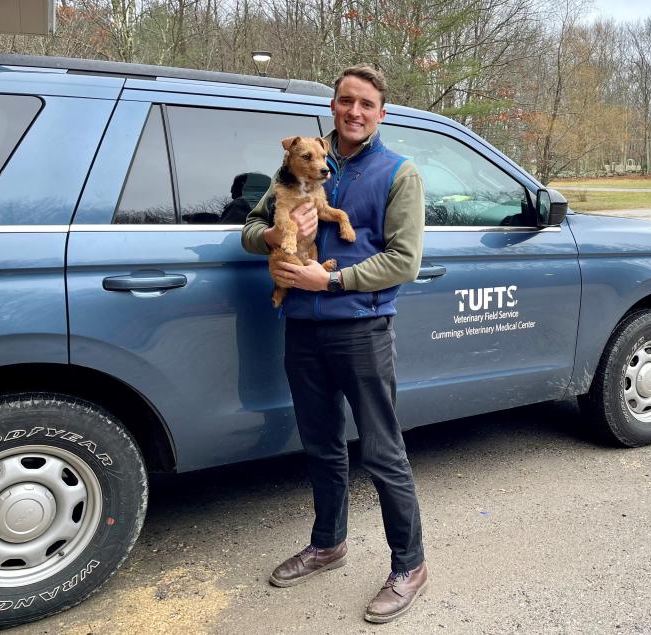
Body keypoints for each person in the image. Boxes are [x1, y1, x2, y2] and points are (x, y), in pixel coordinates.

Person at [241, 64, 427, 624]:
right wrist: (273, 235)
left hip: (360, 329)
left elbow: (405, 260)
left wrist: (335, 280)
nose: (354, 111)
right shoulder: (297, 167)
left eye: (366, 104)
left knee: (381, 449)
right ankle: (328, 543)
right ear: (333, 107)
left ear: (380, 113)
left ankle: (409, 565)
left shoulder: (398, 172)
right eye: (346, 101)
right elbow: (251, 231)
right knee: (320, 444)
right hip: (301, 325)